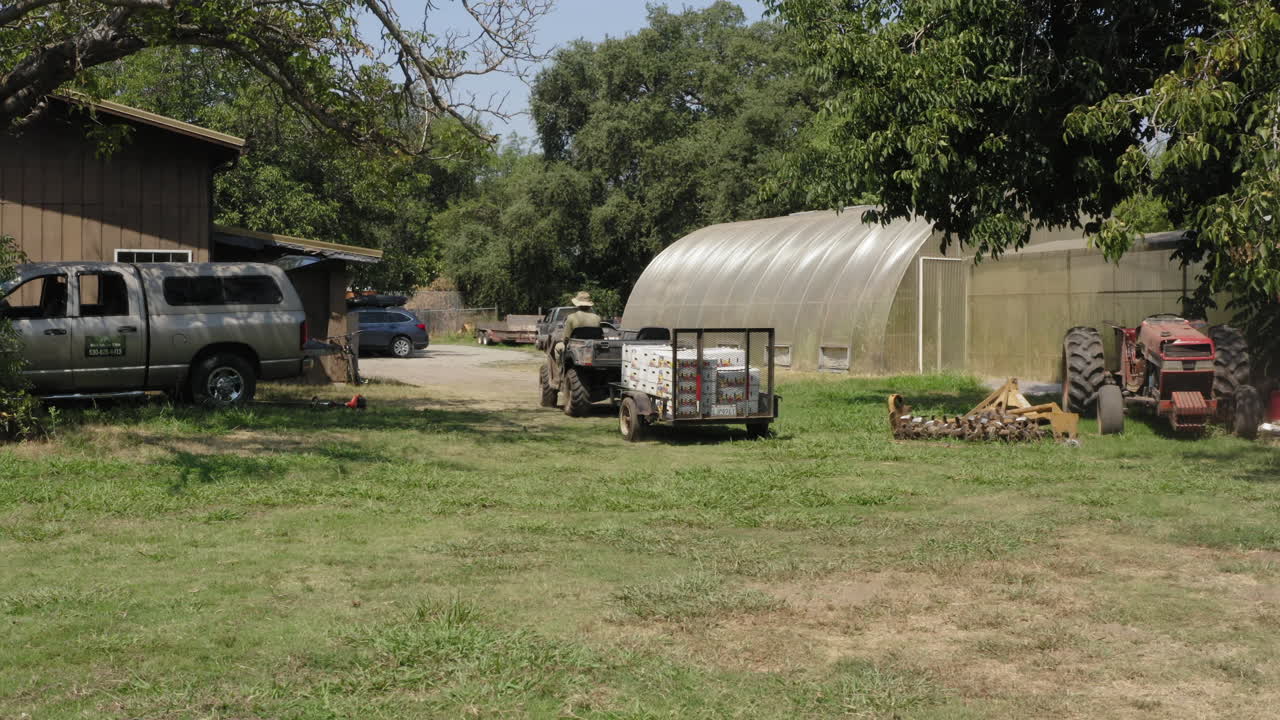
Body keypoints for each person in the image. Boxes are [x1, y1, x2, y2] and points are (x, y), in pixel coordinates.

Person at [550, 291, 602, 404]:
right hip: (592, 349)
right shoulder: (597, 318)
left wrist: (563, 342)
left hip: (575, 347)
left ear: (577, 304)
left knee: (557, 348)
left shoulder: (571, 317)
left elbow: (566, 337)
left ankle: (560, 370)